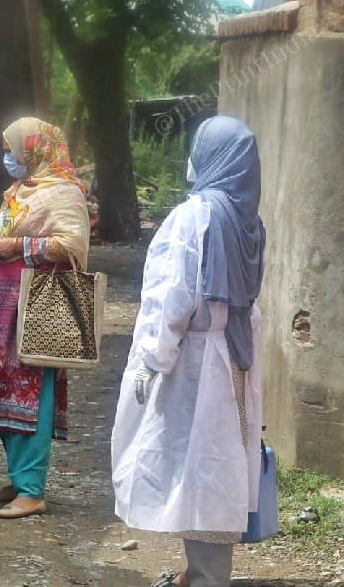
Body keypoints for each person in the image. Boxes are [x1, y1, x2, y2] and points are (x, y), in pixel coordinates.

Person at [111, 116, 266, 587]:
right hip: (235, 358)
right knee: (218, 463)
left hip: (195, 359)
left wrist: (151, 360)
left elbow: (169, 298)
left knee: (196, 465)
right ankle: (200, 572)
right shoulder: (248, 221)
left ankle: (205, 577)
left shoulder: (192, 216)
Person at [0, 117, 90, 519]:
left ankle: (32, 488)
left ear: (35, 149)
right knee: (4, 389)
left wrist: (19, 246)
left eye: (13, 148)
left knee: (31, 392)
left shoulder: (63, 192)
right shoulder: (21, 188)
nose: (8, 156)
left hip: (37, 304)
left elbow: (72, 245)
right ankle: (18, 476)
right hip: (1, 305)